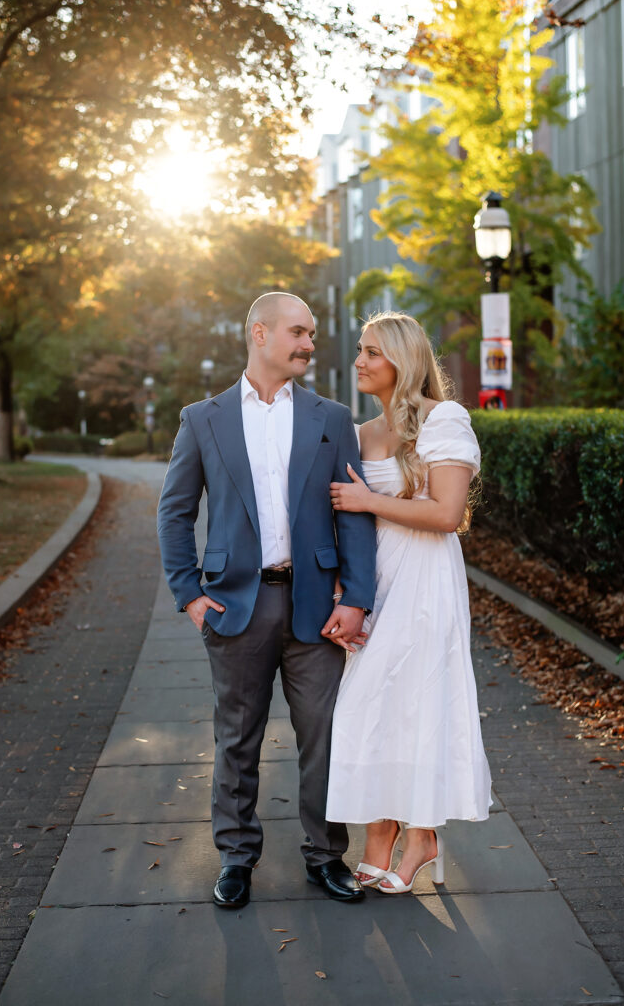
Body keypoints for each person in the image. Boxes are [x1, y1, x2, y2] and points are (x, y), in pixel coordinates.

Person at [157, 291, 376, 909]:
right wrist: (190, 596)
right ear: (260, 333)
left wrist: (356, 597)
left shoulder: (332, 418)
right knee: (237, 739)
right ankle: (235, 857)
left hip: (316, 605)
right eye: (299, 333)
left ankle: (327, 856)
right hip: (233, 606)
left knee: (324, 736)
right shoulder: (204, 419)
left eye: (310, 334)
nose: (310, 344)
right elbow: (175, 513)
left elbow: (352, 516)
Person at [326, 311, 492, 894]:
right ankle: (380, 836)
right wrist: (348, 590)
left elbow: (447, 515)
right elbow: (351, 523)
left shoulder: (443, 419)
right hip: (379, 582)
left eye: (372, 351)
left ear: (403, 358)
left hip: (424, 579)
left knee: (414, 703)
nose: (360, 361)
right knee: (372, 708)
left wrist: (368, 501)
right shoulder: (363, 431)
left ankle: (420, 836)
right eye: (360, 350)